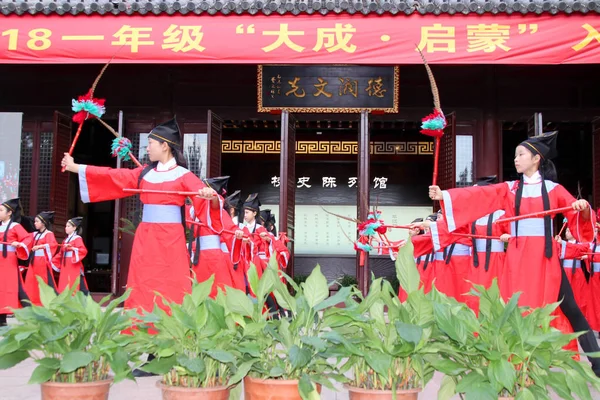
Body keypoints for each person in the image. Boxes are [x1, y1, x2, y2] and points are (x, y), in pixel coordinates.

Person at [428, 131, 600, 375]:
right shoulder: (510, 189)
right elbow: (479, 195)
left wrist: (582, 209)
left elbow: (581, 219)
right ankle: (513, 360)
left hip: (545, 257)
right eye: (516, 155)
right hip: (518, 258)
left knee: (570, 307)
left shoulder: (554, 190)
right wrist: (444, 195)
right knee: (514, 306)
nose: (516, 159)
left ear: (536, 158)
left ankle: (597, 363)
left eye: (521, 155)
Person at [61, 118, 219, 314]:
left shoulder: (183, 175)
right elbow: (114, 176)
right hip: (146, 238)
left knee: (172, 280)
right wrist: (76, 167)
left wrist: (209, 196)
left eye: (151, 143)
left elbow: (205, 200)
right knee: (143, 280)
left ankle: (174, 327)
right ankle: (139, 326)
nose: (147, 148)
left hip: (171, 238)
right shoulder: (144, 174)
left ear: (164, 146)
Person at [0, 198, 31, 326]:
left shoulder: (15, 226)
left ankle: (32, 314)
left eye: (1, 210)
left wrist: (19, 244)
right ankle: (2, 320)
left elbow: (27, 238)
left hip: (9, 261)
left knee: (16, 287)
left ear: (9, 212)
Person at [24, 211, 59, 305]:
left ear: (43, 223)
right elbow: (25, 239)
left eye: (37, 221)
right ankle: (34, 302)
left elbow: (53, 245)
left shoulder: (49, 233)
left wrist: (40, 246)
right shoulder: (34, 234)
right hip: (34, 261)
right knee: (32, 282)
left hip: (42, 262)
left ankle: (53, 303)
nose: (35, 223)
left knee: (45, 282)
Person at [53, 217, 89, 294]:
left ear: (74, 228)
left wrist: (72, 248)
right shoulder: (65, 240)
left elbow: (82, 250)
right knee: (65, 283)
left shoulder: (77, 238)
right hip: (65, 265)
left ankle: (84, 300)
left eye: (68, 226)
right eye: (66, 226)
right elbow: (60, 253)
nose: (66, 228)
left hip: (73, 264)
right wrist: (53, 261)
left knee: (76, 282)